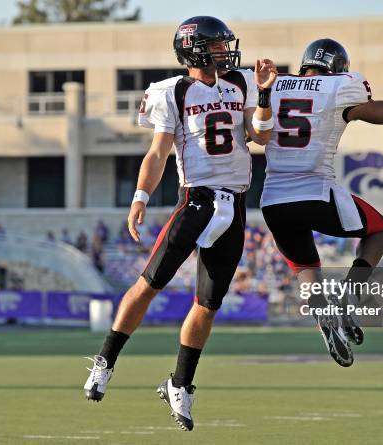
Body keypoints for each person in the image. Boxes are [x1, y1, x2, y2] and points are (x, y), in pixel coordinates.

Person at [83, 16, 277, 431]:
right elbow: (157, 152)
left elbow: (261, 136)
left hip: (237, 203)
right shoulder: (171, 91)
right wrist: (139, 197)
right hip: (197, 200)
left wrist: (263, 92)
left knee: (208, 305)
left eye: (226, 45)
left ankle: (180, 383)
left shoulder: (241, 82)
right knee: (149, 284)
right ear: (196, 50)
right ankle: (105, 362)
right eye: (218, 46)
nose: (226, 52)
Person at [260, 40, 383, 366]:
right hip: (315, 192)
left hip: (273, 200)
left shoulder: (273, 84)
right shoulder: (340, 86)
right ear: (338, 67)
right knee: (379, 230)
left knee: (306, 268)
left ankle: (323, 318)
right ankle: (347, 298)